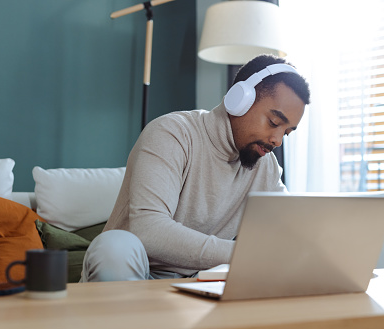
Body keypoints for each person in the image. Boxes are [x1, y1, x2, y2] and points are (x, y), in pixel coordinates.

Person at [80, 54, 311, 282]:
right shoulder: (172, 134)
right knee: (115, 246)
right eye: (273, 123)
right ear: (240, 99)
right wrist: (244, 254)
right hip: (137, 276)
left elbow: (289, 231)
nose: (277, 140)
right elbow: (148, 230)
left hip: (201, 284)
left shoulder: (265, 165)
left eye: (287, 132)